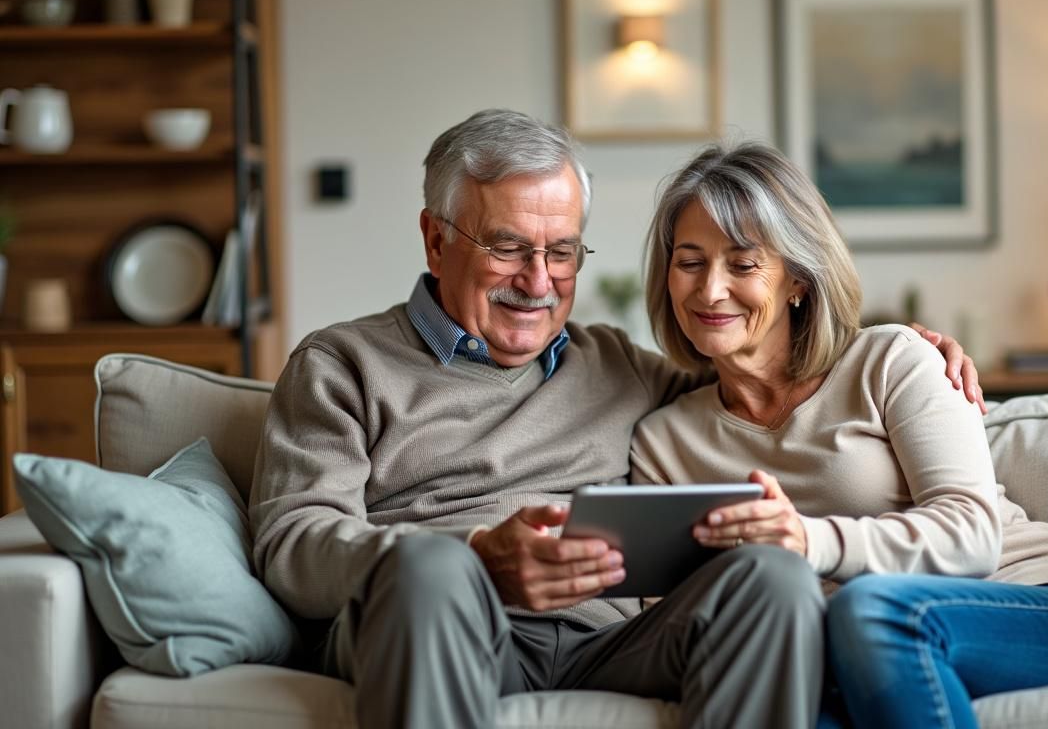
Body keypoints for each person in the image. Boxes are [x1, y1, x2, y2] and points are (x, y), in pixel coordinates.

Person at [249, 109, 979, 729]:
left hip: (610, 639)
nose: (538, 282)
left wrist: (884, 350)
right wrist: (473, 554)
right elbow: (290, 543)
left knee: (769, 578)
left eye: (561, 251)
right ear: (436, 240)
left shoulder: (620, 366)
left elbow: (758, 367)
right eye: (507, 247)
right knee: (432, 569)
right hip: (435, 617)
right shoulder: (341, 363)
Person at [630, 142, 1048, 729]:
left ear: (798, 280)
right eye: (690, 261)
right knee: (806, 696)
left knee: (870, 613)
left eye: (743, 264)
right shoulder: (663, 443)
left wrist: (808, 540)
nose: (710, 290)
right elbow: (683, 622)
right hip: (854, 643)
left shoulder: (890, 359)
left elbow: (973, 534)